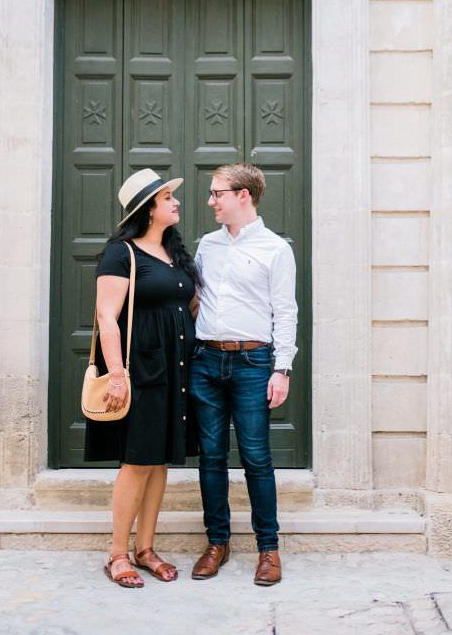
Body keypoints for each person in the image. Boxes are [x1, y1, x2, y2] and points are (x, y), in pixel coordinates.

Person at [84, 168, 200, 589]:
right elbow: (106, 317)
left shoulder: (175, 253)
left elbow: (185, 308)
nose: (175, 202)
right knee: (136, 462)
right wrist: (117, 374)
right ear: (147, 208)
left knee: (159, 461)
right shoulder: (122, 253)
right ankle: (117, 553)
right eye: (167, 197)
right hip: (141, 369)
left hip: (177, 367)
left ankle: (146, 548)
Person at [189, 162, 298, 586]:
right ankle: (217, 543)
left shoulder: (275, 249)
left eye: (217, 193)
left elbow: (285, 311)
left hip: (254, 364)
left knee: (256, 458)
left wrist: (282, 369)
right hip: (205, 362)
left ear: (243, 196)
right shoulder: (207, 246)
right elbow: (195, 299)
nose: (210, 201)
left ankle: (268, 549)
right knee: (212, 458)